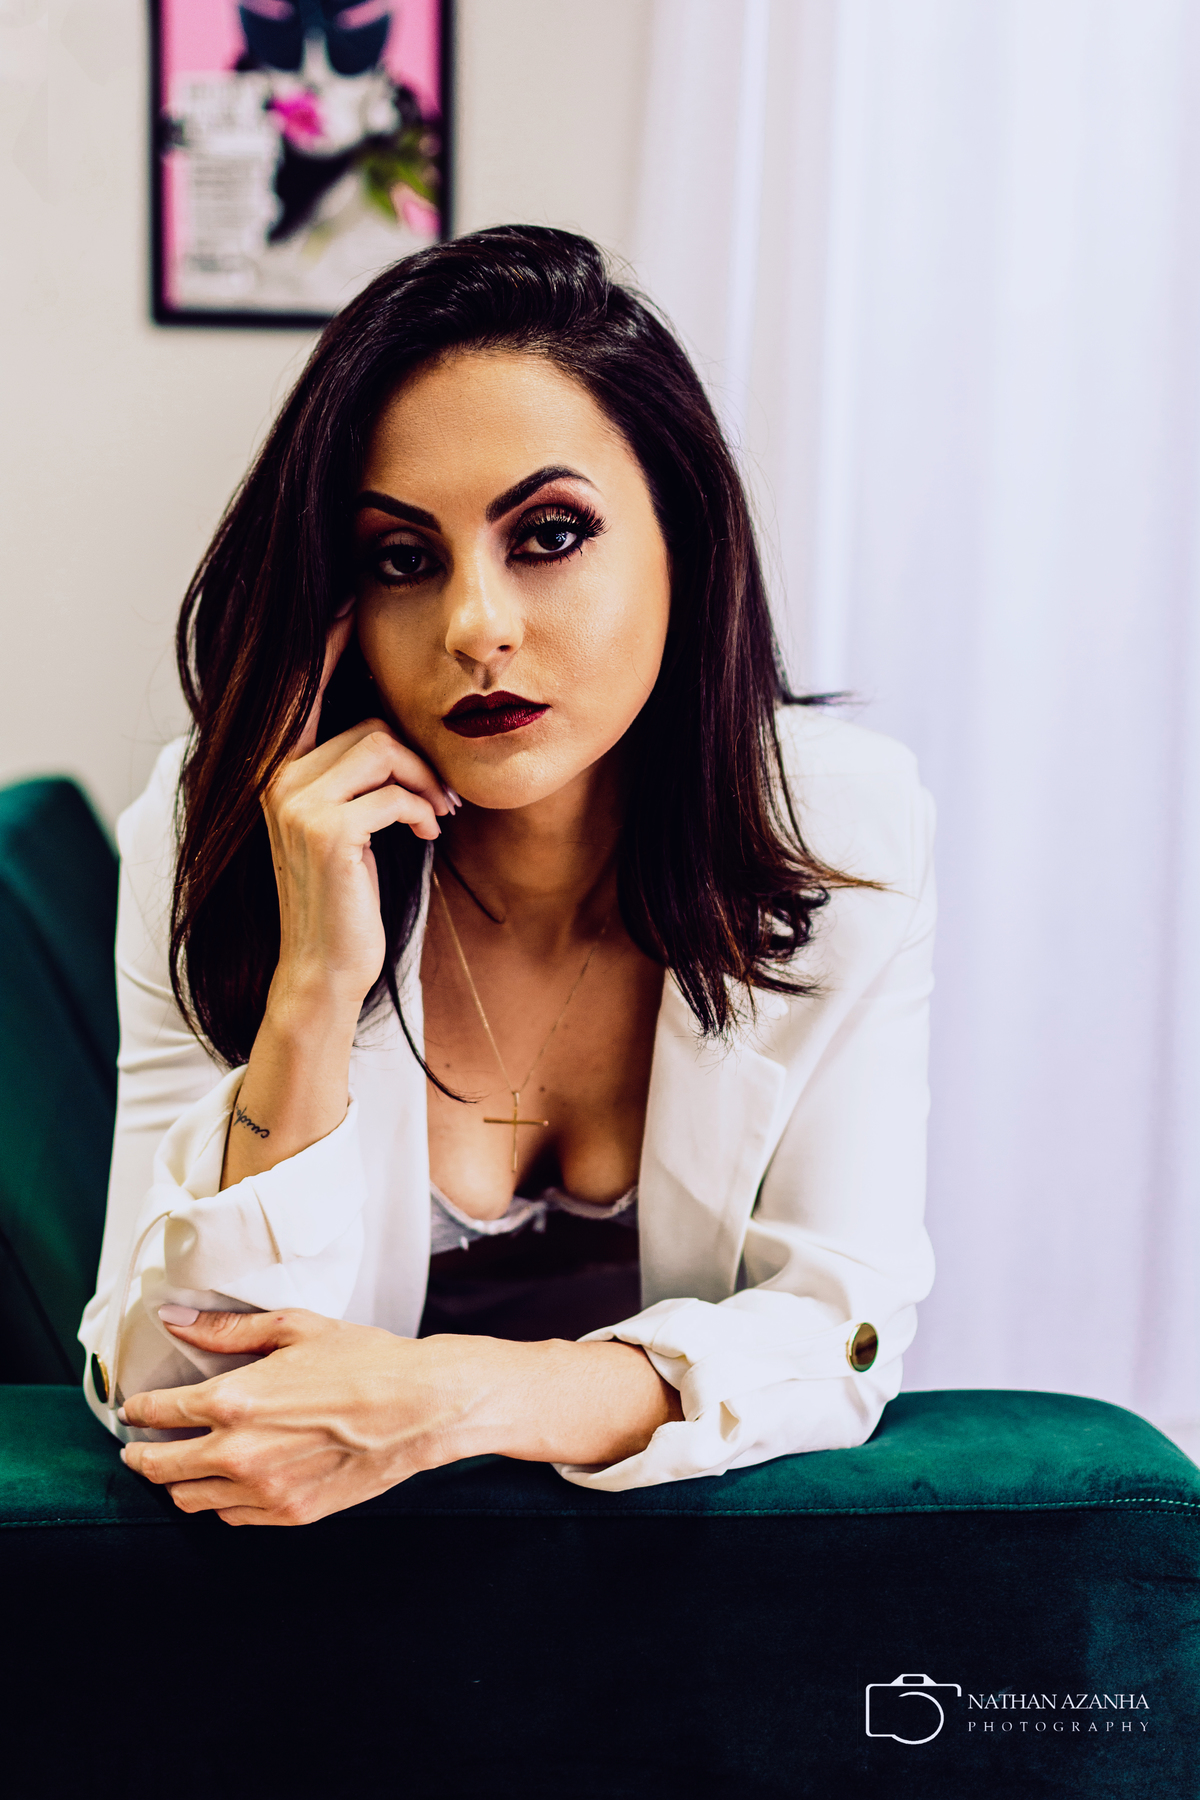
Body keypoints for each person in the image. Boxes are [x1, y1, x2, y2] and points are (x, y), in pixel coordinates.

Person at [79, 226, 936, 1526]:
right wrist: (312, 996)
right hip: (326, 1598)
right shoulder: (223, 827)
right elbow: (165, 1388)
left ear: (684, 541)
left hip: (682, 1592)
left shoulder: (845, 832)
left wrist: (458, 1396)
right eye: (402, 558)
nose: (476, 625)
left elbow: (841, 1326)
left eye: (548, 533)